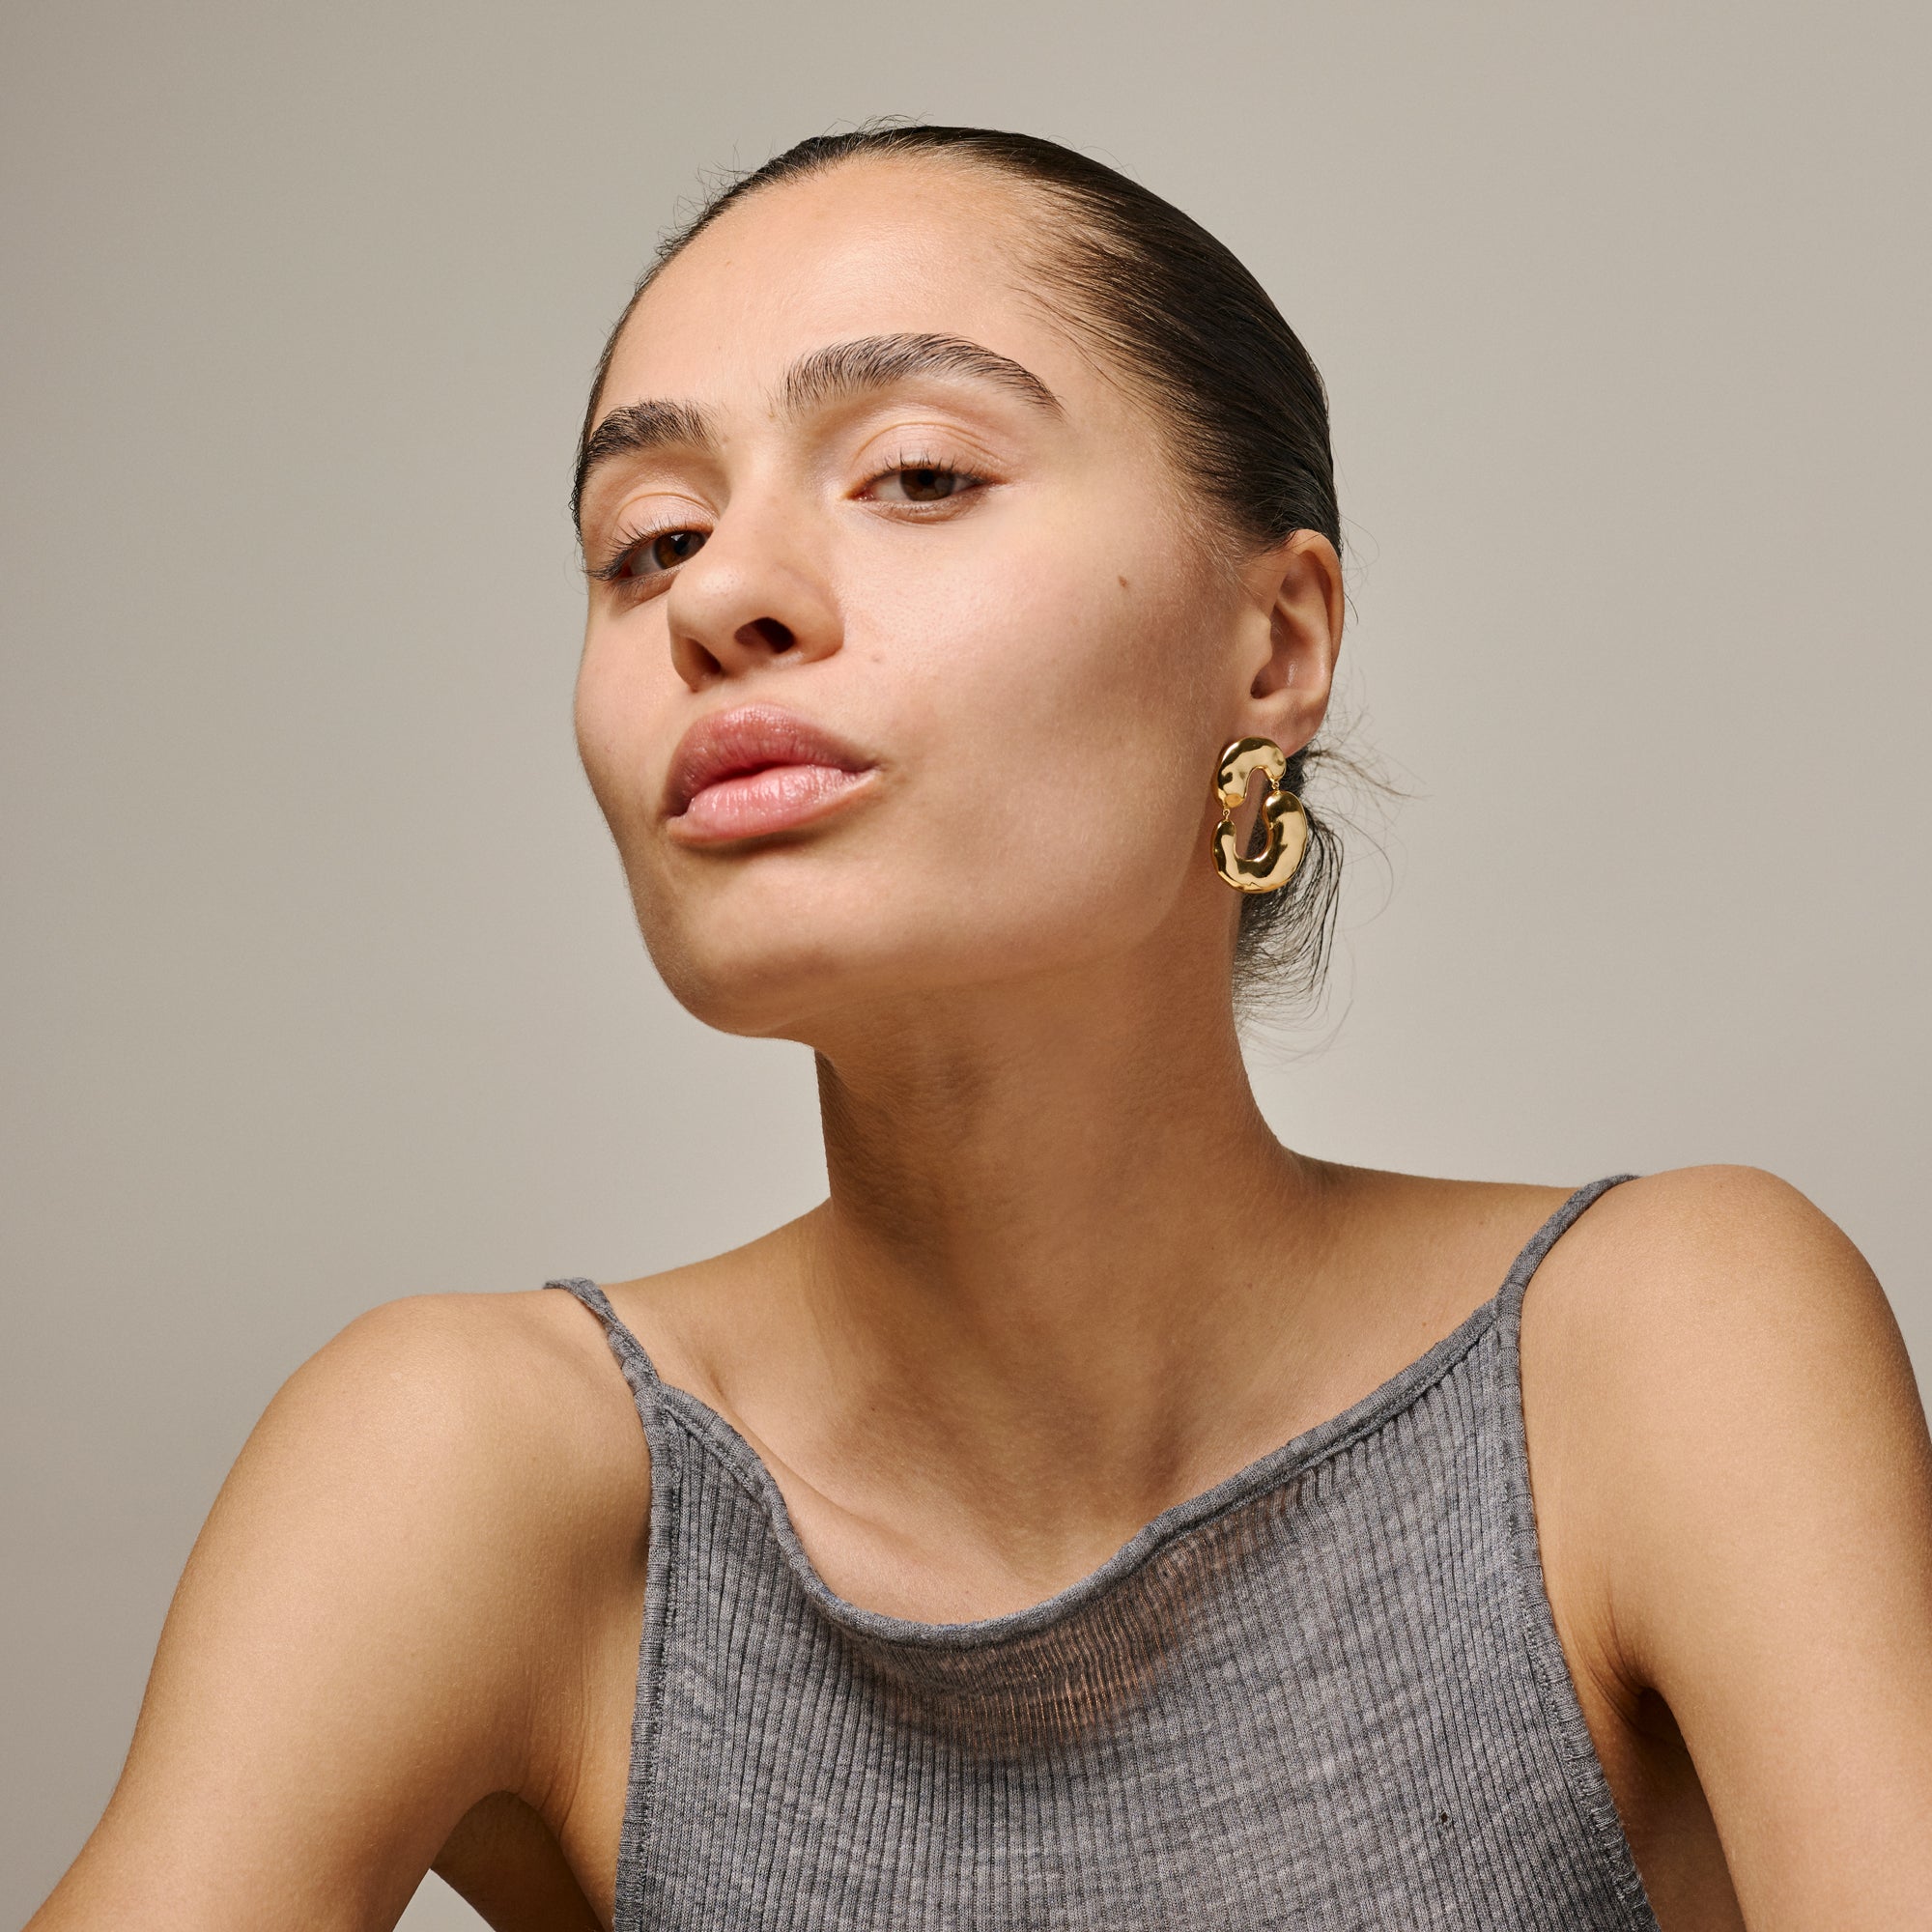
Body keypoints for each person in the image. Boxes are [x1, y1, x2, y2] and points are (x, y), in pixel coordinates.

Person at [28, 125, 1932, 1932]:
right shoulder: (489, 1466)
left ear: (1273, 645)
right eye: (650, 540)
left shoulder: (1656, 1354)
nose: (721, 598)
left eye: (920, 475)